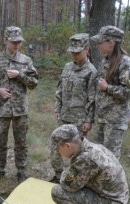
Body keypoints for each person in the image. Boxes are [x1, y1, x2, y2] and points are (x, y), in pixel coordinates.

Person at [50, 124, 130, 204]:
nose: (58, 152)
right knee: (78, 184)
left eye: (57, 149)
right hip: (118, 197)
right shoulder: (94, 147)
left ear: (67, 145)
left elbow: (67, 185)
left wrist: (66, 172)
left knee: (57, 192)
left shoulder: (85, 159)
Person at [0, 26, 39, 183]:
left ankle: (21, 170)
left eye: (19, 42)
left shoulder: (26, 61)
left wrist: (20, 75)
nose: (16, 45)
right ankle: (0, 169)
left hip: (20, 110)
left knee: (21, 143)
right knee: (0, 142)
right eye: (13, 42)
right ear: (5, 40)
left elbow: (34, 83)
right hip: (1, 109)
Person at [50, 33, 98, 183]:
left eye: (77, 52)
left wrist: (89, 120)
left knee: (77, 154)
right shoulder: (67, 67)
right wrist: (57, 109)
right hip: (64, 116)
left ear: (87, 50)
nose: (74, 55)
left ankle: (74, 180)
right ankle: (58, 176)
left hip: (79, 120)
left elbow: (92, 98)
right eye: (72, 52)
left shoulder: (92, 71)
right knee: (56, 147)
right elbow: (60, 91)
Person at [90, 26, 130, 159]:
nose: (98, 45)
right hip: (102, 118)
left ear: (111, 43)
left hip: (115, 120)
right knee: (98, 156)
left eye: (101, 42)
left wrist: (107, 88)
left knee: (110, 159)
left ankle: (111, 181)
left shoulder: (126, 63)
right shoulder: (105, 61)